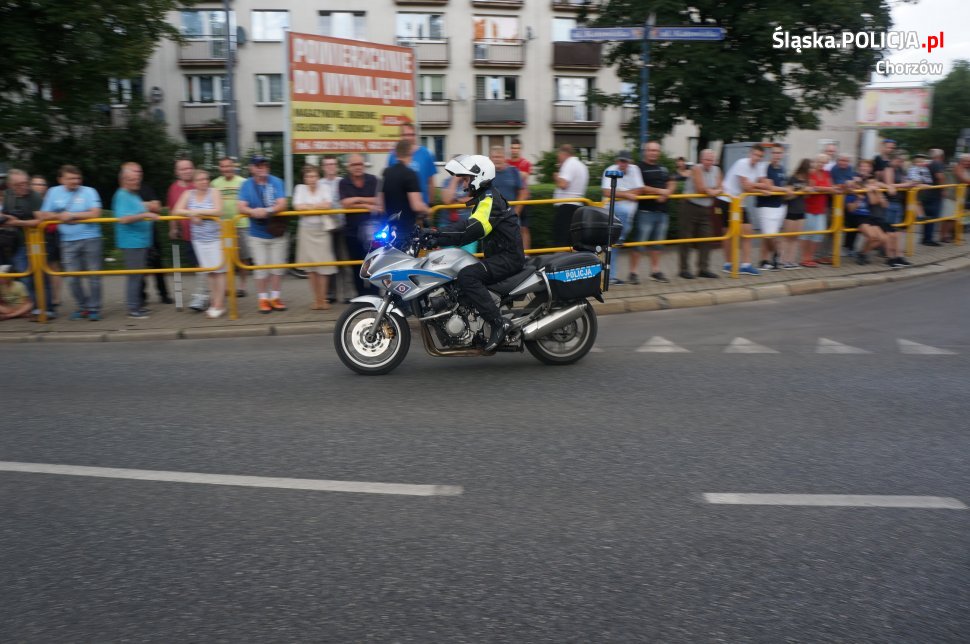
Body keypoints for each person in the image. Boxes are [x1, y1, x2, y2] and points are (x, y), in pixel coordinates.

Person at [430, 154, 524, 352]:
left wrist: (436, 236)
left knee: (468, 276)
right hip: (500, 256)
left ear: (478, 177)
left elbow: (471, 229)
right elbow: (467, 228)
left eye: (466, 179)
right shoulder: (484, 198)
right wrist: (434, 235)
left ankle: (498, 324)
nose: (464, 184)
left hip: (508, 258)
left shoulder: (490, 199)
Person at [39, 165, 103, 320]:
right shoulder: (53, 192)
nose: (75, 181)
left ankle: (94, 309)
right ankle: (83, 307)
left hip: (91, 238)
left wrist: (72, 216)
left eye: (77, 178)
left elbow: (96, 213)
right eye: (71, 179)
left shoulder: (89, 191)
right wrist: (60, 216)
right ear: (61, 180)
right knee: (72, 278)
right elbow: (43, 214)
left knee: (94, 275)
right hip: (67, 241)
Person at [238, 155, 288, 314]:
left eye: (265, 165)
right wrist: (253, 212)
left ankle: (275, 297)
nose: (262, 168)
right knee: (261, 267)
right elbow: (241, 206)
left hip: (276, 232)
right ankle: (263, 298)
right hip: (256, 234)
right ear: (252, 168)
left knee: (277, 267)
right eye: (258, 166)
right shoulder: (246, 185)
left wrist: (267, 211)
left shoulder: (276, 181)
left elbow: (282, 203)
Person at [173, 169, 226, 318]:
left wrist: (198, 212)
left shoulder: (214, 192)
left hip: (215, 238)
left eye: (206, 179)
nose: (204, 182)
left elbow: (218, 211)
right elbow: (177, 210)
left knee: (219, 271)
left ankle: (219, 304)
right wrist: (191, 213)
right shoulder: (188, 194)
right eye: (201, 179)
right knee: (209, 272)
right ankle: (214, 302)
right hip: (199, 240)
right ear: (194, 182)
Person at [1, 169, 53, 317]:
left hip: (37, 242)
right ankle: (34, 308)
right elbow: (5, 214)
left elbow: (40, 221)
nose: (24, 186)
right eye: (19, 184)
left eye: (26, 183)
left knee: (41, 275)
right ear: (11, 185)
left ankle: (47, 309)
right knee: (26, 277)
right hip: (18, 243)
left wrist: (18, 222)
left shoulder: (34, 196)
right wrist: (6, 218)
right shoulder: (8, 195)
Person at [113, 166, 162, 318]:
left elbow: (136, 211)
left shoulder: (132, 194)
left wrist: (146, 209)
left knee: (138, 276)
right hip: (132, 243)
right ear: (123, 180)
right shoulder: (122, 195)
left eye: (137, 179)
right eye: (132, 179)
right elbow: (123, 219)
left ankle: (137, 305)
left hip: (139, 242)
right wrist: (146, 215)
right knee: (134, 276)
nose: (136, 182)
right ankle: (133, 309)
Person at [718, 144, 772, 275]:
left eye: (760, 156)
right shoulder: (742, 163)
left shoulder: (760, 166)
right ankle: (728, 264)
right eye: (755, 155)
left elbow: (767, 185)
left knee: (747, 231)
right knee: (729, 233)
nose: (757, 158)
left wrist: (755, 185)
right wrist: (760, 188)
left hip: (739, 202)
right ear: (750, 154)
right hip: (727, 200)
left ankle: (745, 265)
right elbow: (746, 187)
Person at [123, 162, 171, 306]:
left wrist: (141, 207)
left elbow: (158, 208)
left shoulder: (146, 188)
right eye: (135, 172)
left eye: (140, 172)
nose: (138, 175)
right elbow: (127, 213)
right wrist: (147, 206)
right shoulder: (124, 193)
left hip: (152, 233)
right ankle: (141, 297)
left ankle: (164, 295)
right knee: (139, 268)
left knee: (158, 265)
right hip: (136, 236)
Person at [293, 164, 338, 311]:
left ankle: (323, 299)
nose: (311, 179)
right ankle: (316, 300)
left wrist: (309, 207)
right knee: (311, 267)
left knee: (324, 265)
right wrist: (317, 206)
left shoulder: (324, 188)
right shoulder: (299, 188)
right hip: (306, 231)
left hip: (322, 230)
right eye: (308, 176)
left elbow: (328, 204)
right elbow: (297, 207)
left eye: (314, 176)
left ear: (318, 177)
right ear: (304, 178)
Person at [167, 158, 209, 311]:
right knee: (198, 265)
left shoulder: (200, 183)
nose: (187, 171)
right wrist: (173, 228)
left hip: (204, 234)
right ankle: (204, 294)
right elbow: (172, 210)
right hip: (187, 235)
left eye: (189, 168)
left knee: (202, 265)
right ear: (177, 172)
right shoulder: (173, 188)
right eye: (183, 169)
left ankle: (201, 296)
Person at [338, 154, 382, 296]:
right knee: (356, 266)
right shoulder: (343, 182)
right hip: (352, 232)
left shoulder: (373, 180)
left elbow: (378, 200)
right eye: (354, 164)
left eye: (360, 164)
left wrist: (355, 200)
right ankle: (361, 297)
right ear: (348, 167)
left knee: (374, 264)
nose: (358, 167)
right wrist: (366, 204)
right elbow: (345, 203)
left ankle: (375, 295)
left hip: (373, 232)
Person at [600, 150, 646, 284]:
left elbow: (640, 190)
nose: (622, 163)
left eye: (625, 161)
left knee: (612, 246)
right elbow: (606, 192)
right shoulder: (610, 170)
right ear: (617, 161)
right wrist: (627, 195)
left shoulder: (635, 170)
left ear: (630, 162)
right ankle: (618, 239)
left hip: (627, 217)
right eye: (620, 161)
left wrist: (619, 193)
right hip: (611, 209)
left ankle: (611, 277)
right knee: (615, 240)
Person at [635, 141, 676, 284]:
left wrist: (667, 192)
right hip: (645, 211)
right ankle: (633, 273)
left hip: (662, 212)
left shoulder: (663, 168)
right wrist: (660, 191)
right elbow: (639, 187)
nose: (653, 153)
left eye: (656, 150)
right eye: (651, 150)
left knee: (658, 244)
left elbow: (672, 182)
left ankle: (655, 271)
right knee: (639, 244)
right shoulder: (638, 168)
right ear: (645, 151)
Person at [678, 149, 721, 279]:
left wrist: (712, 191)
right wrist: (713, 191)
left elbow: (721, 186)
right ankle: (683, 269)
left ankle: (703, 268)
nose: (709, 162)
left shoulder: (717, 170)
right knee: (686, 238)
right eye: (707, 159)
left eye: (712, 160)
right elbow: (700, 188)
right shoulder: (696, 169)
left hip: (706, 207)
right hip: (690, 206)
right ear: (701, 160)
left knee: (706, 238)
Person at [211, 157, 249, 297]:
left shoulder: (243, 182)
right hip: (222, 227)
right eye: (223, 166)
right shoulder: (214, 183)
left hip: (241, 224)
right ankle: (227, 286)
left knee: (243, 257)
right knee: (225, 258)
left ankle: (242, 286)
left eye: (228, 166)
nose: (226, 169)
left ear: (233, 167)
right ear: (220, 168)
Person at [320, 156, 354, 303]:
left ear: (337, 166)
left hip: (342, 225)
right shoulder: (319, 183)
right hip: (326, 227)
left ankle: (348, 293)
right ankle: (330, 294)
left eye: (333, 164)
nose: (330, 166)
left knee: (344, 261)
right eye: (327, 164)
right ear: (323, 167)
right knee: (329, 261)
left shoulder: (343, 181)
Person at [380, 139, 429, 232]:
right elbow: (416, 206)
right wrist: (428, 210)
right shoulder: (410, 174)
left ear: (396, 153)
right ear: (410, 152)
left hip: (388, 227)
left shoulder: (386, 172)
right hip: (406, 228)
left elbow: (381, 203)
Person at [756, 145, 790, 271]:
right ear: (771, 154)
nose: (777, 155)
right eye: (775, 153)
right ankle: (777, 254)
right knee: (769, 235)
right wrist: (784, 190)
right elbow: (768, 186)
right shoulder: (764, 166)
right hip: (766, 205)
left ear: (782, 154)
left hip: (780, 205)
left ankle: (764, 260)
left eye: (779, 153)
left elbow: (784, 185)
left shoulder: (782, 168)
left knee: (771, 235)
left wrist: (787, 190)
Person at [386, 122, 437, 205]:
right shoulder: (393, 154)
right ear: (400, 136)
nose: (409, 137)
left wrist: (431, 204)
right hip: (400, 206)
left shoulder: (426, 153)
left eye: (412, 134)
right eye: (406, 134)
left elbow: (430, 182)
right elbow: (388, 182)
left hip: (421, 205)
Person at [800, 154, 835, 267]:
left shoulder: (826, 173)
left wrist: (826, 189)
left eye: (824, 163)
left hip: (821, 207)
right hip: (809, 207)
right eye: (820, 162)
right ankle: (805, 258)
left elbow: (830, 187)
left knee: (819, 233)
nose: (822, 164)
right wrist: (827, 189)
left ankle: (810, 257)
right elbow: (813, 188)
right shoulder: (811, 173)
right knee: (807, 233)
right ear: (815, 162)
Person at [552, 144, 589, 247]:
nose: (558, 158)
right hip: (578, 206)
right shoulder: (582, 166)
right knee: (572, 241)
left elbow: (563, 184)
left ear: (564, 154)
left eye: (559, 155)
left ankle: (560, 257)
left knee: (561, 240)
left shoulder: (569, 163)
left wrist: (556, 177)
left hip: (566, 207)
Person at [883, 152, 914, 267]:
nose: (901, 163)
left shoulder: (901, 170)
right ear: (893, 160)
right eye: (899, 160)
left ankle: (899, 256)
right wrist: (905, 185)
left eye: (902, 161)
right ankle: (890, 257)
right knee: (890, 232)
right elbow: (889, 184)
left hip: (899, 203)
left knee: (898, 232)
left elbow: (904, 182)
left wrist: (908, 184)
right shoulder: (888, 169)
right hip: (891, 202)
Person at [779, 158, 809, 270]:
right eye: (810, 168)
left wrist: (807, 191)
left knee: (796, 238)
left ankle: (791, 260)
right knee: (787, 237)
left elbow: (806, 197)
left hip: (801, 211)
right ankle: (782, 260)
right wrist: (799, 189)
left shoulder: (807, 180)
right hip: (791, 211)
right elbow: (787, 196)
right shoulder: (792, 178)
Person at [508, 139, 533, 249]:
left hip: (523, 199)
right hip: (511, 199)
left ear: (520, 149)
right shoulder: (507, 163)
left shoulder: (525, 163)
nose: (515, 150)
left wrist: (511, 174)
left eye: (517, 148)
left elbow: (523, 177)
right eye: (513, 148)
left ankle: (526, 254)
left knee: (524, 228)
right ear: (510, 149)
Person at [921, 148, 947, 245]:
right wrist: (943, 189)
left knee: (928, 217)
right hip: (934, 194)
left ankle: (925, 238)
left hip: (926, 194)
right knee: (933, 217)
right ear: (941, 156)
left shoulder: (929, 164)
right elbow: (940, 176)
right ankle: (928, 239)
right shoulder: (937, 163)